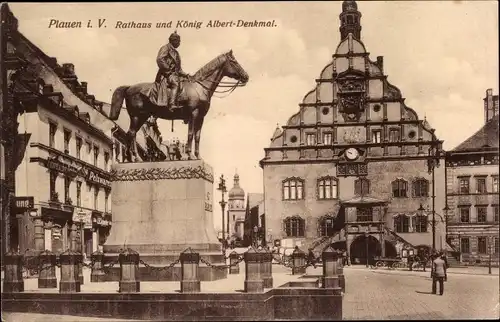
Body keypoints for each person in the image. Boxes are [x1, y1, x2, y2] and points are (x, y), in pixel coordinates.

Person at [155, 31, 192, 113]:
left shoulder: (176, 53)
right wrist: (168, 71)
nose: (179, 43)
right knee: (175, 83)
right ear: (173, 40)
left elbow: (178, 69)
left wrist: (186, 75)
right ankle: (171, 104)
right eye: (178, 41)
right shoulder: (165, 48)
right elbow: (160, 59)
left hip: (174, 74)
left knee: (185, 83)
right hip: (165, 74)